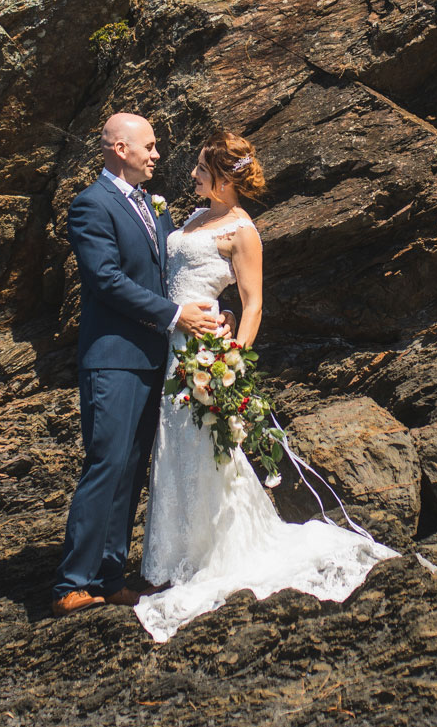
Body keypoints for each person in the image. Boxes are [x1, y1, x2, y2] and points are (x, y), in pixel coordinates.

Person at [134, 130, 397, 642]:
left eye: (201, 170)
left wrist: (232, 355)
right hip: (173, 341)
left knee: (203, 446)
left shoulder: (242, 230)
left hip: (203, 350)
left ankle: (215, 553)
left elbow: (253, 303)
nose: (191, 176)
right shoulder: (192, 217)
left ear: (222, 176)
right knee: (175, 445)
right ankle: (177, 550)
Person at [52, 113, 227, 617]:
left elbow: (172, 274)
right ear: (119, 149)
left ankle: (109, 576)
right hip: (113, 358)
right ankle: (71, 581)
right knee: (105, 462)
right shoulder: (91, 205)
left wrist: (212, 308)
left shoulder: (154, 206)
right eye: (148, 147)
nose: (156, 154)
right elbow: (104, 279)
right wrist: (175, 315)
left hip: (155, 359)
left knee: (131, 469)